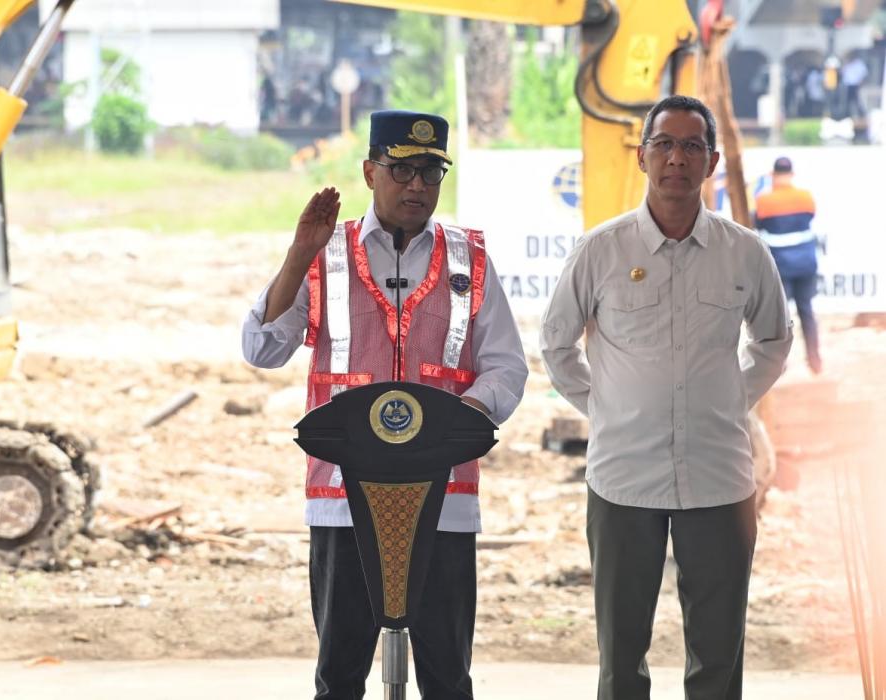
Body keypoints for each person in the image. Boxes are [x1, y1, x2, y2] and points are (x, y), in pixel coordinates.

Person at [242, 109, 527, 699]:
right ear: (371, 172)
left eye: (430, 172)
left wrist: (462, 417)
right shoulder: (326, 254)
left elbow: (507, 366)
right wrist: (299, 253)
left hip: (443, 497)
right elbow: (262, 348)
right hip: (343, 497)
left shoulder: (468, 259)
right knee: (340, 675)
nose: (417, 186)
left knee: (447, 677)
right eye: (402, 170)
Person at [539, 95, 792, 700]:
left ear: (710, 164)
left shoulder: (744, 252)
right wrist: (605, 409)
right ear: (643, 157)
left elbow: (774, 343)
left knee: (718, 657)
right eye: (665, 145)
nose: (678, 157)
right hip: (624, 478)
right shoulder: (601, 250)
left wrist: (733, 402)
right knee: (621, 656)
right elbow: (555, 346)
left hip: (719, 479)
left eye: (692, 146)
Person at [754, 156, 822, 373]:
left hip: (781, 265)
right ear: (792, 174)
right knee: (807, 311)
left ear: (773, 175)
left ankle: (779, 364)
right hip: (806, 263)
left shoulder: (764, 200)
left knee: (780, 317)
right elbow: (810, 217)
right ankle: (815, 360)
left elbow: (758, 223)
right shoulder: (805, 197)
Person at [840, 53, 868, 120]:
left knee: (856, 101)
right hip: (847, 85)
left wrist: (860, 83)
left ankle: (862, 115)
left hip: (855, 85)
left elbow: (864, 74)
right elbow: (842, 73)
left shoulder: (859, 63)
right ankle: (846, 116)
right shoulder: (847, 64)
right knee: (847, 101)